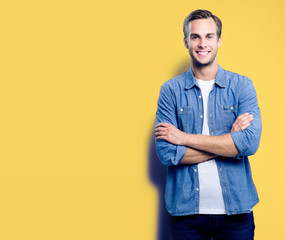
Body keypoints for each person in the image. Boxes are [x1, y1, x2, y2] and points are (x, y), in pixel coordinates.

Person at [154, 9, 262, 240]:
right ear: (186, 42)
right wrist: (228, 145)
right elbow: (166, 153)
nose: (203, 43)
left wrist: (183, 138)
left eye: (209, 36)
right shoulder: (170, 90)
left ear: (219, 40)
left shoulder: (242, 86)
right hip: (185, 215)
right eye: (196, 37)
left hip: (237, 213)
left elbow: (249, 144)